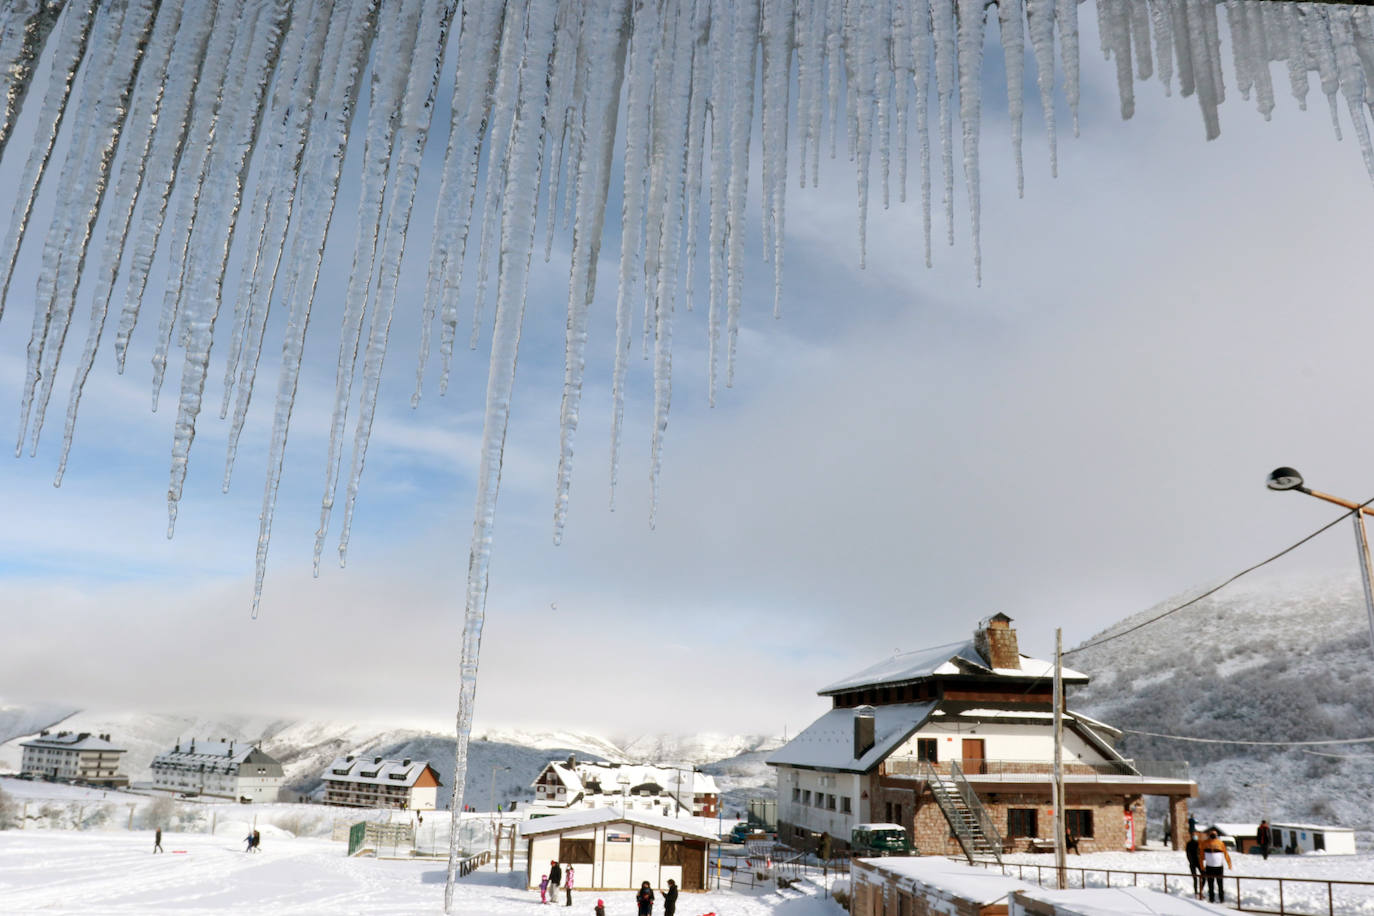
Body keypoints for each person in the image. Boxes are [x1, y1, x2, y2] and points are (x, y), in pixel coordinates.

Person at [1200, 829, 1233, 904]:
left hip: (1219, 867)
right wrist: (1202, 866)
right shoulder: (1205, 843)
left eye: (1214, 834)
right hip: (1209, 867)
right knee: (1210, 884)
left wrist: (1229, 864)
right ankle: (1211, 898)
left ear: (1216, 835)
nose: (1213, 835)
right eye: (1212, 834)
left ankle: (1221, 898)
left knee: (1220, 884)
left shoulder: (1220, 843)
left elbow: (1226, 854)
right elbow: (1201, 855)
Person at [1185, 832, 1203, 899]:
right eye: (1194, 835)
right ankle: (1196, 892)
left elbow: (1201, 852)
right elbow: (1188, 853)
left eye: (1195, 835)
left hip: (1199, 862)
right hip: (1193, 863)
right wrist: (1190, 861)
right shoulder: (1189, 844)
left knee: (1203, 876)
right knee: (1195, 878)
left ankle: (1200, 890)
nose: (1195, 837)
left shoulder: (1199, 843)